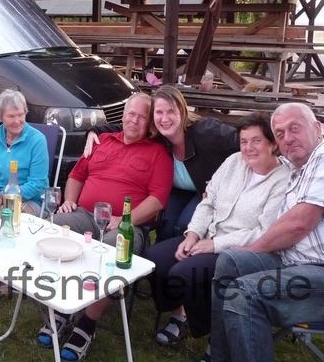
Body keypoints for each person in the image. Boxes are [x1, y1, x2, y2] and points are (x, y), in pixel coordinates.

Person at [41, 93, 173, 361]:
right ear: (123, 115)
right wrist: (69, 200)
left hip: (127, 224)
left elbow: (158, 199)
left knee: (113, 248)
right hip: (85, 214)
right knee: (55, 227)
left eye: (142, 117)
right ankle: (64, 306)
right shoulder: (102, 141)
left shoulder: (158, 153)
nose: (134, 120)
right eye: (131, 114)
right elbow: (77, 175)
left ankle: (87, 322)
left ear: (149, 123)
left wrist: (125, 219)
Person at [145, 113, 289, 357]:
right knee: (154, 259)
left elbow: (263, 232)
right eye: (244, 141)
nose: (248, 148)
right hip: (206, 235)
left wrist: (214, 245)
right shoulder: (234, 161)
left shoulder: (282, 180)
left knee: (186, 273)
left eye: (256, 141)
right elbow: (208, 201)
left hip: (237, 251)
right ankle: (180, 315)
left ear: (273, 144)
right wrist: (192, 234)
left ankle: (215, 335)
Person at [210, 103, 324, 362]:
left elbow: (299, 223)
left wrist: (253, 248)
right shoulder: (296, 168)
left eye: (294, 128)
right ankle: (218, 356)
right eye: (280, 134)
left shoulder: (322, 158)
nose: (288, 138)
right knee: (230, 260)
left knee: (245, 293)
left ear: (317, 128)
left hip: (318, 270)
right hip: (290, 261)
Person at [85, 85, 239, 239]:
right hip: (179, 191)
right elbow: (127, 126)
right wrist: (94, 131)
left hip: (206, 191)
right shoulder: (158, 134)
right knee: (166, 228)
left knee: (183, 226)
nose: (164, 119)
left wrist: (222, 182)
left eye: (171, 111)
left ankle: (190, 251)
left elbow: (245, 142)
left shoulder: (207, 131)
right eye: (159, 112)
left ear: (182, 111)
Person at [0, 89, 49, 216]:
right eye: (11, 116)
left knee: (4, 215)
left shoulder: (38, 140)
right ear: (0, 117)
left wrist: (6, 197)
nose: (17, 121)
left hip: (28, 200)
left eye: (21, 115)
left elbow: (37, 183)